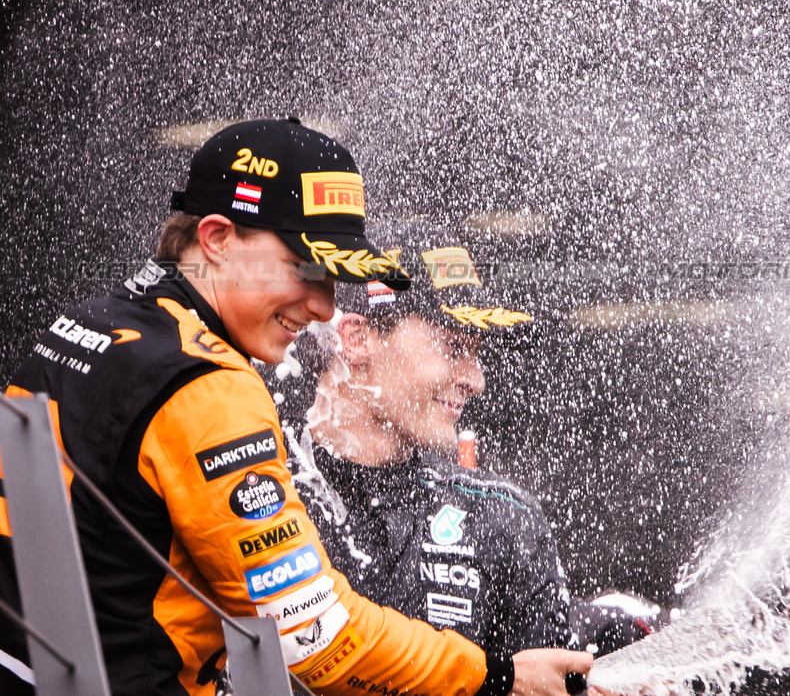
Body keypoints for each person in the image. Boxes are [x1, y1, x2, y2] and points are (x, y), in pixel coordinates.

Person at [0, 118, 590, 696]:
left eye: (334, 276)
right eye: (303, 268)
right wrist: (496, 677)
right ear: (216, 239)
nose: (322, 305)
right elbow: (311, 635)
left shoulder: (83, 326)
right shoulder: (209, 386)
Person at [270, 225, 575, 661]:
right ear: (357, 339)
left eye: (478, 353)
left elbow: (550, 684)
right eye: (453, 348)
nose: (476, 380)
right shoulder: (261, 496)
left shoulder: (506, 521)